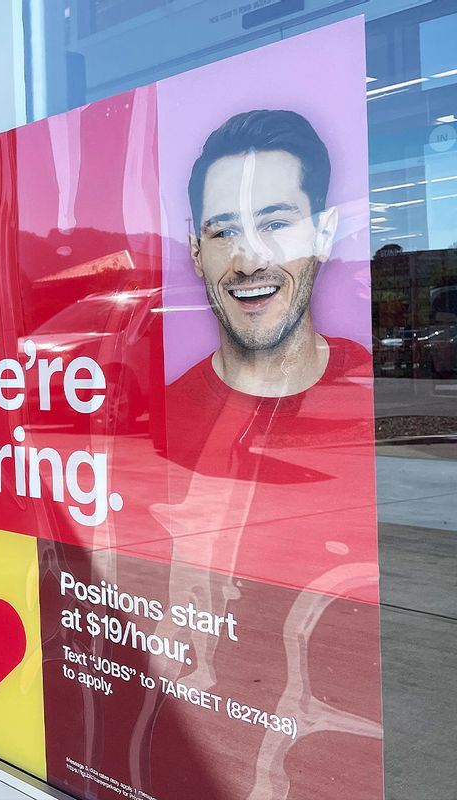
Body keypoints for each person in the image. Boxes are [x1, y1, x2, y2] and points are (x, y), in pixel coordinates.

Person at [163, 109, 377, 601]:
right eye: (224, 232)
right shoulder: (163, 423)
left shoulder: (374, 391)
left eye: (276, 223)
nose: (249, 260)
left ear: (323, 234)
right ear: (196, 250)